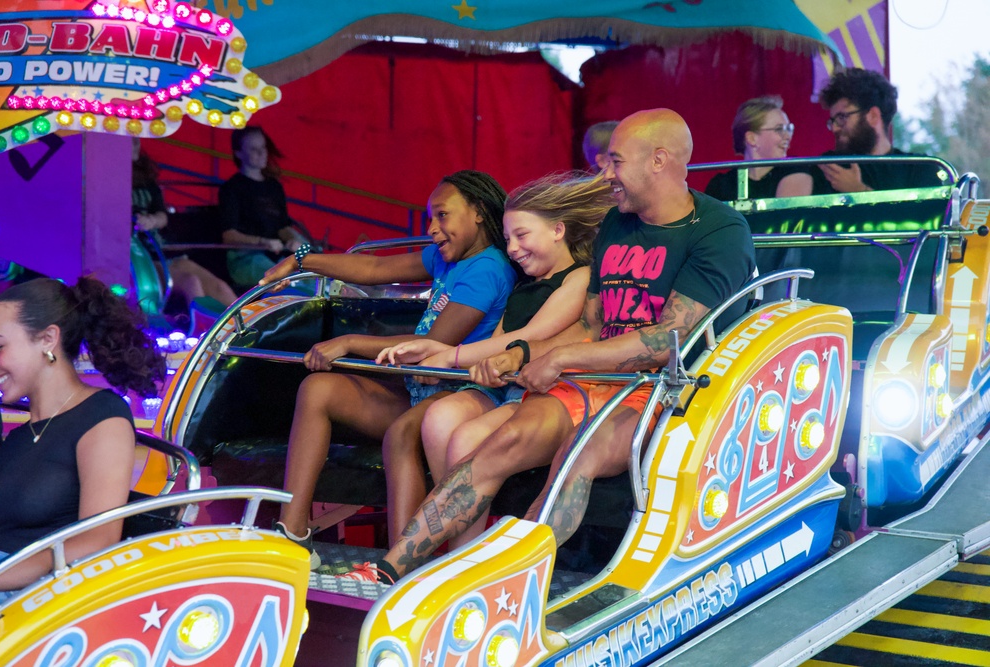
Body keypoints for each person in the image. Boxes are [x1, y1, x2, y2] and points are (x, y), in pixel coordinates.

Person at [339, 109, 756, 585]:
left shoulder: (719, 230)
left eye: (616, 161)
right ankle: (391, 570)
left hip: (664, 390)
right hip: (594, 379)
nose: (607, 174)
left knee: (576, 457)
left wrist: (558, 360)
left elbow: (666, 341)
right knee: (500, 445)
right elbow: (593, 327)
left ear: (658, 160)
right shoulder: (619, 224)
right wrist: (522, 355)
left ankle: (507, 582)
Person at [260, 170, 516, 567]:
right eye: (430, 219)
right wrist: (300, 261)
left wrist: (348, 343)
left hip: (458, 391)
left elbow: (433, 346)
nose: (432, 229)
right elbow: (376, 271)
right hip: (419, 389)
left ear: (479, 212)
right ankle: (293, 537)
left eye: (442, 216)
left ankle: (400, 566)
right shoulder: (450, 259)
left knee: (400, 436)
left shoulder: (488, 268)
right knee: (318, 390)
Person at [376, 172, 611, 546]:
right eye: (507, 239)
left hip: (538, 393)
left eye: (522, 236)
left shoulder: (578, 279)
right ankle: (457, 542)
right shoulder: (522, 283)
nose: (513, 248)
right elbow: (500, 341)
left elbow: (528, 338)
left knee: (465, 438)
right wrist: (445, 357)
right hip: (503, 387)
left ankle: (466, 552)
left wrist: (447, 356)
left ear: (557, 231)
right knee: (439, 418)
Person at [0, 277, 165, 602]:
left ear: (47, 339)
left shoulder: (102, 416)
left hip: (39, 603)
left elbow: (98, 540)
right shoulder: (17, 439)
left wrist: (2, 574)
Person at [777, 68, 947, 196]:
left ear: (873, 116)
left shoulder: (921, 168)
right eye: (833, 121)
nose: (835, 128)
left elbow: (923, 224)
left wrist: (859, 191)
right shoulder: (828, 167)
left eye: (842, 117)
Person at [132, 138, 238, 309]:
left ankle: (251, 327)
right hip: (139, 258)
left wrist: (151, 221)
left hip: (163, 251)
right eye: (130, 142)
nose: (135, 146)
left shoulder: (146, 181)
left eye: (136, 141)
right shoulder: (109, 182)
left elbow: (162, 215)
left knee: (220, 287)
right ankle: (204, 332)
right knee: (191, 282)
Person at [219, 127, 310, 289]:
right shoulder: (232, 188)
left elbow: (282, 225)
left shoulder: (273, 187)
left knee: (312, 271)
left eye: (263, 148)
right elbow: (229, 235)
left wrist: (292, 240)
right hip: (246, 258)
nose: (262, 153)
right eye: (254, 149)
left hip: (276, 254)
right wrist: (263, 242)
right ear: (239, 153)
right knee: (286, 280)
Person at [705, 96, 797, 200]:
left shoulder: (796, 172)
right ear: (751, 138)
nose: (788, 136)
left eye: (789, 129)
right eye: (779, 129)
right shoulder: (721, 185)